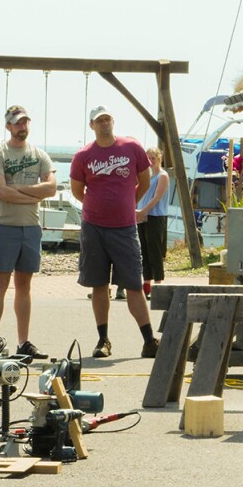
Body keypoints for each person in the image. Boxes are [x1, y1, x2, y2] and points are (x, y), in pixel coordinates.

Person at [69, 105, 159, 359]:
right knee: (99, 284)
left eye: (107, 119)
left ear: (113, 121)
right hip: (94, 228)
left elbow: (145, 181)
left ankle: (149, 340)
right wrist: (98, 204)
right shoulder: (83, 155)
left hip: (125, 227)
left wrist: (128, 203)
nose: (104, 124)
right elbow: (77, 191)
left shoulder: (131, 147)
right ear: (92, 126)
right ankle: (103, 340)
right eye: (99, 121)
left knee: (133, 284)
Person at [0, 105, 56, 360]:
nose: (21, 126)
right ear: (8, 126)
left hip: (30, 228)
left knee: (24, 286)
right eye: (16, 123)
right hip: (4, 226)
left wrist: (20, 191)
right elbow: (0, 192)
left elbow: (51, 189)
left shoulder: (40, 155)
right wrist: (32, 193)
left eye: (24, 122)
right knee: (0, 284)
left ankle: (23, 342)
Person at [136, 147, 170, 298]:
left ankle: (158, 286)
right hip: (143, 217)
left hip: (155, 216)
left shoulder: (163, 176)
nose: (150, 160)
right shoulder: (148, 176)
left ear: (159, 157)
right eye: (148, 158)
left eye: (153, 157)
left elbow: (157, 197)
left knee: (155, 252)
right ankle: (147, 285)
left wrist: (144, 210)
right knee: (145, 252)